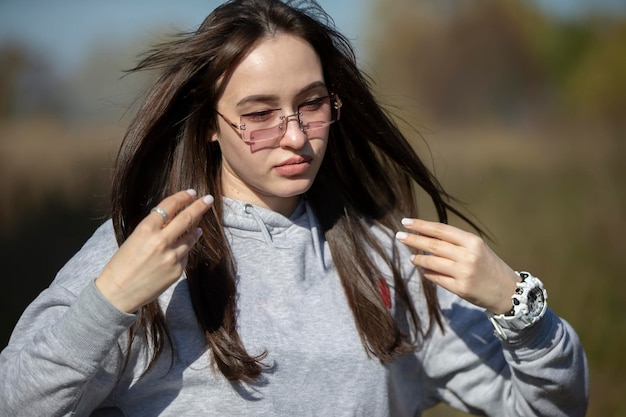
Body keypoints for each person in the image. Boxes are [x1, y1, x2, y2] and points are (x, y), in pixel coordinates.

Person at [0, 0, 589, 416]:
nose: (295, 137)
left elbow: (549, 408)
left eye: (311, 104)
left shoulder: (389, 262)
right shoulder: (138, 252)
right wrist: (108, 305)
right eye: (258, 114)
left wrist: (520, 307)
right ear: (209, 125)